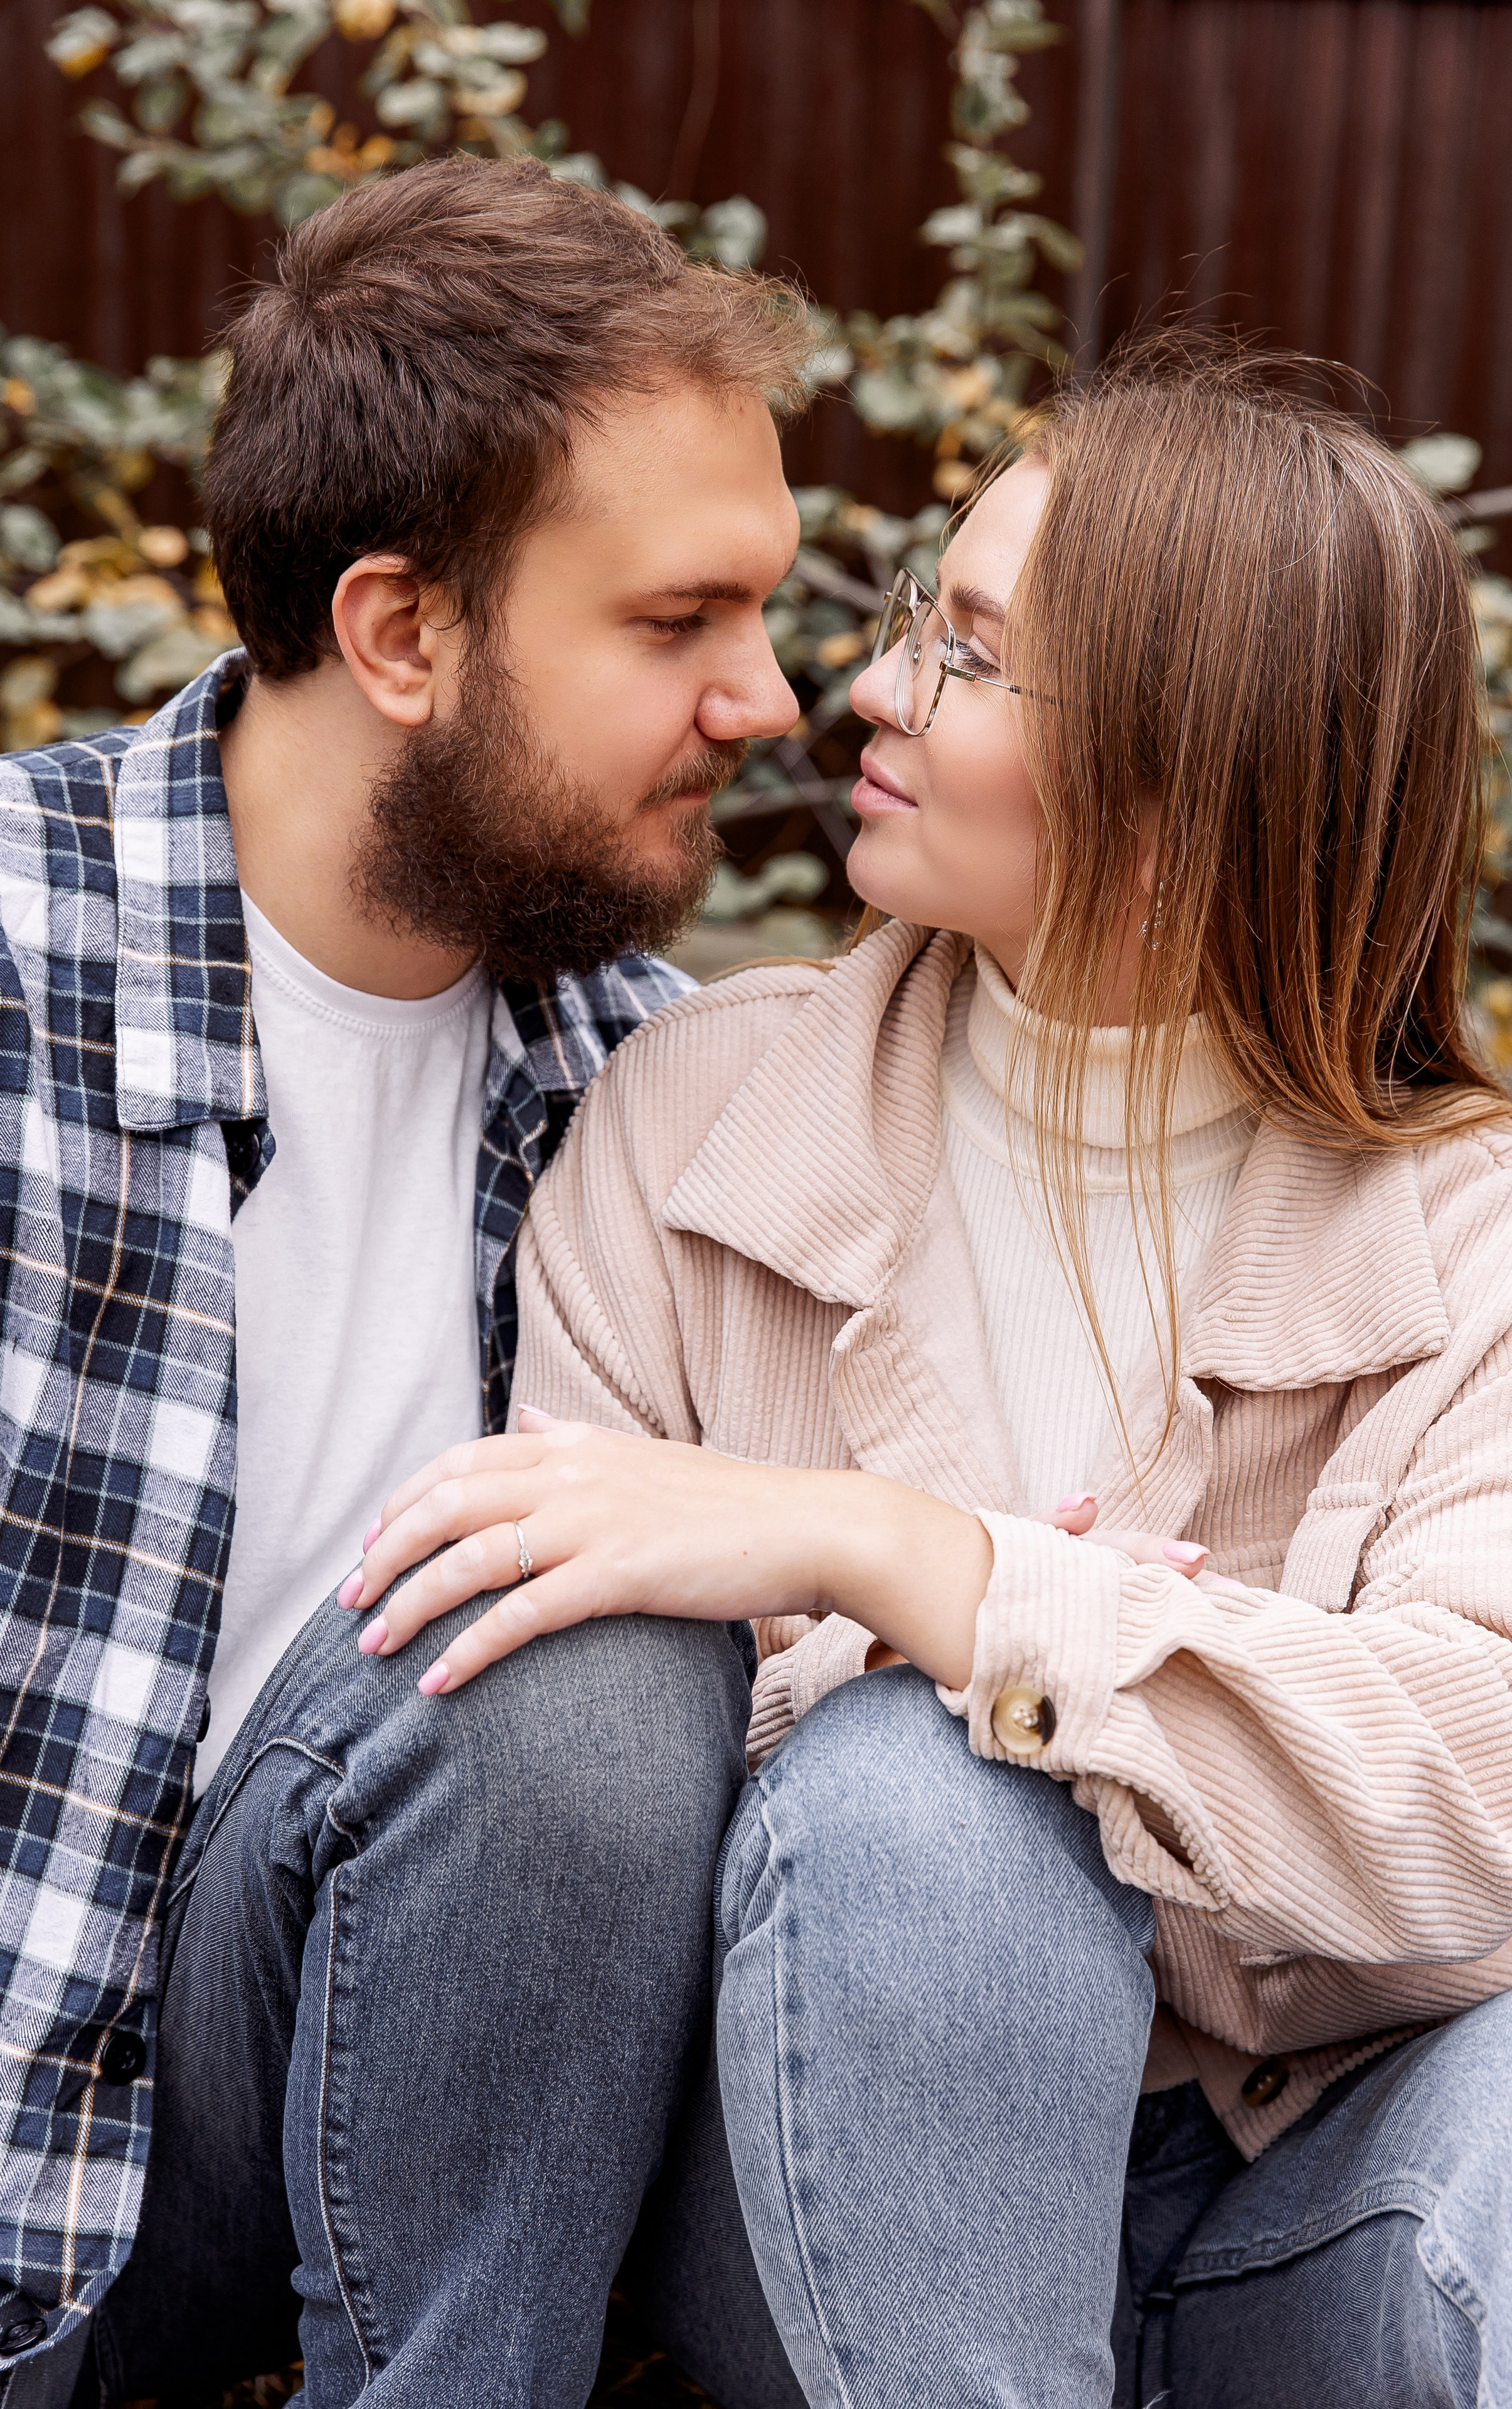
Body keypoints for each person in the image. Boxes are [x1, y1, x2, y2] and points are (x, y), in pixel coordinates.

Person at [359, 342, 1512, 2408]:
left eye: (965, 655)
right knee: (919, 1811)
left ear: (1186, 765)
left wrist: (906, 1557)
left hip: (1318, 2182)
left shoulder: (1505, 1250)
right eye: (917, 627)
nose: (869, 692)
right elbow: (598, 1783)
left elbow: (1486, 1785)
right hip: (812, 2181)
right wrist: (1136, 1692)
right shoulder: (689, 1129)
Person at [0, 155, 816, 2408]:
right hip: (19, 2169)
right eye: (678, 624)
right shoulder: (18, 969)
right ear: (401, 631)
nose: (769, 697)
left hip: (343, 2138)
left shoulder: (650, 1081)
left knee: (589, 1638)